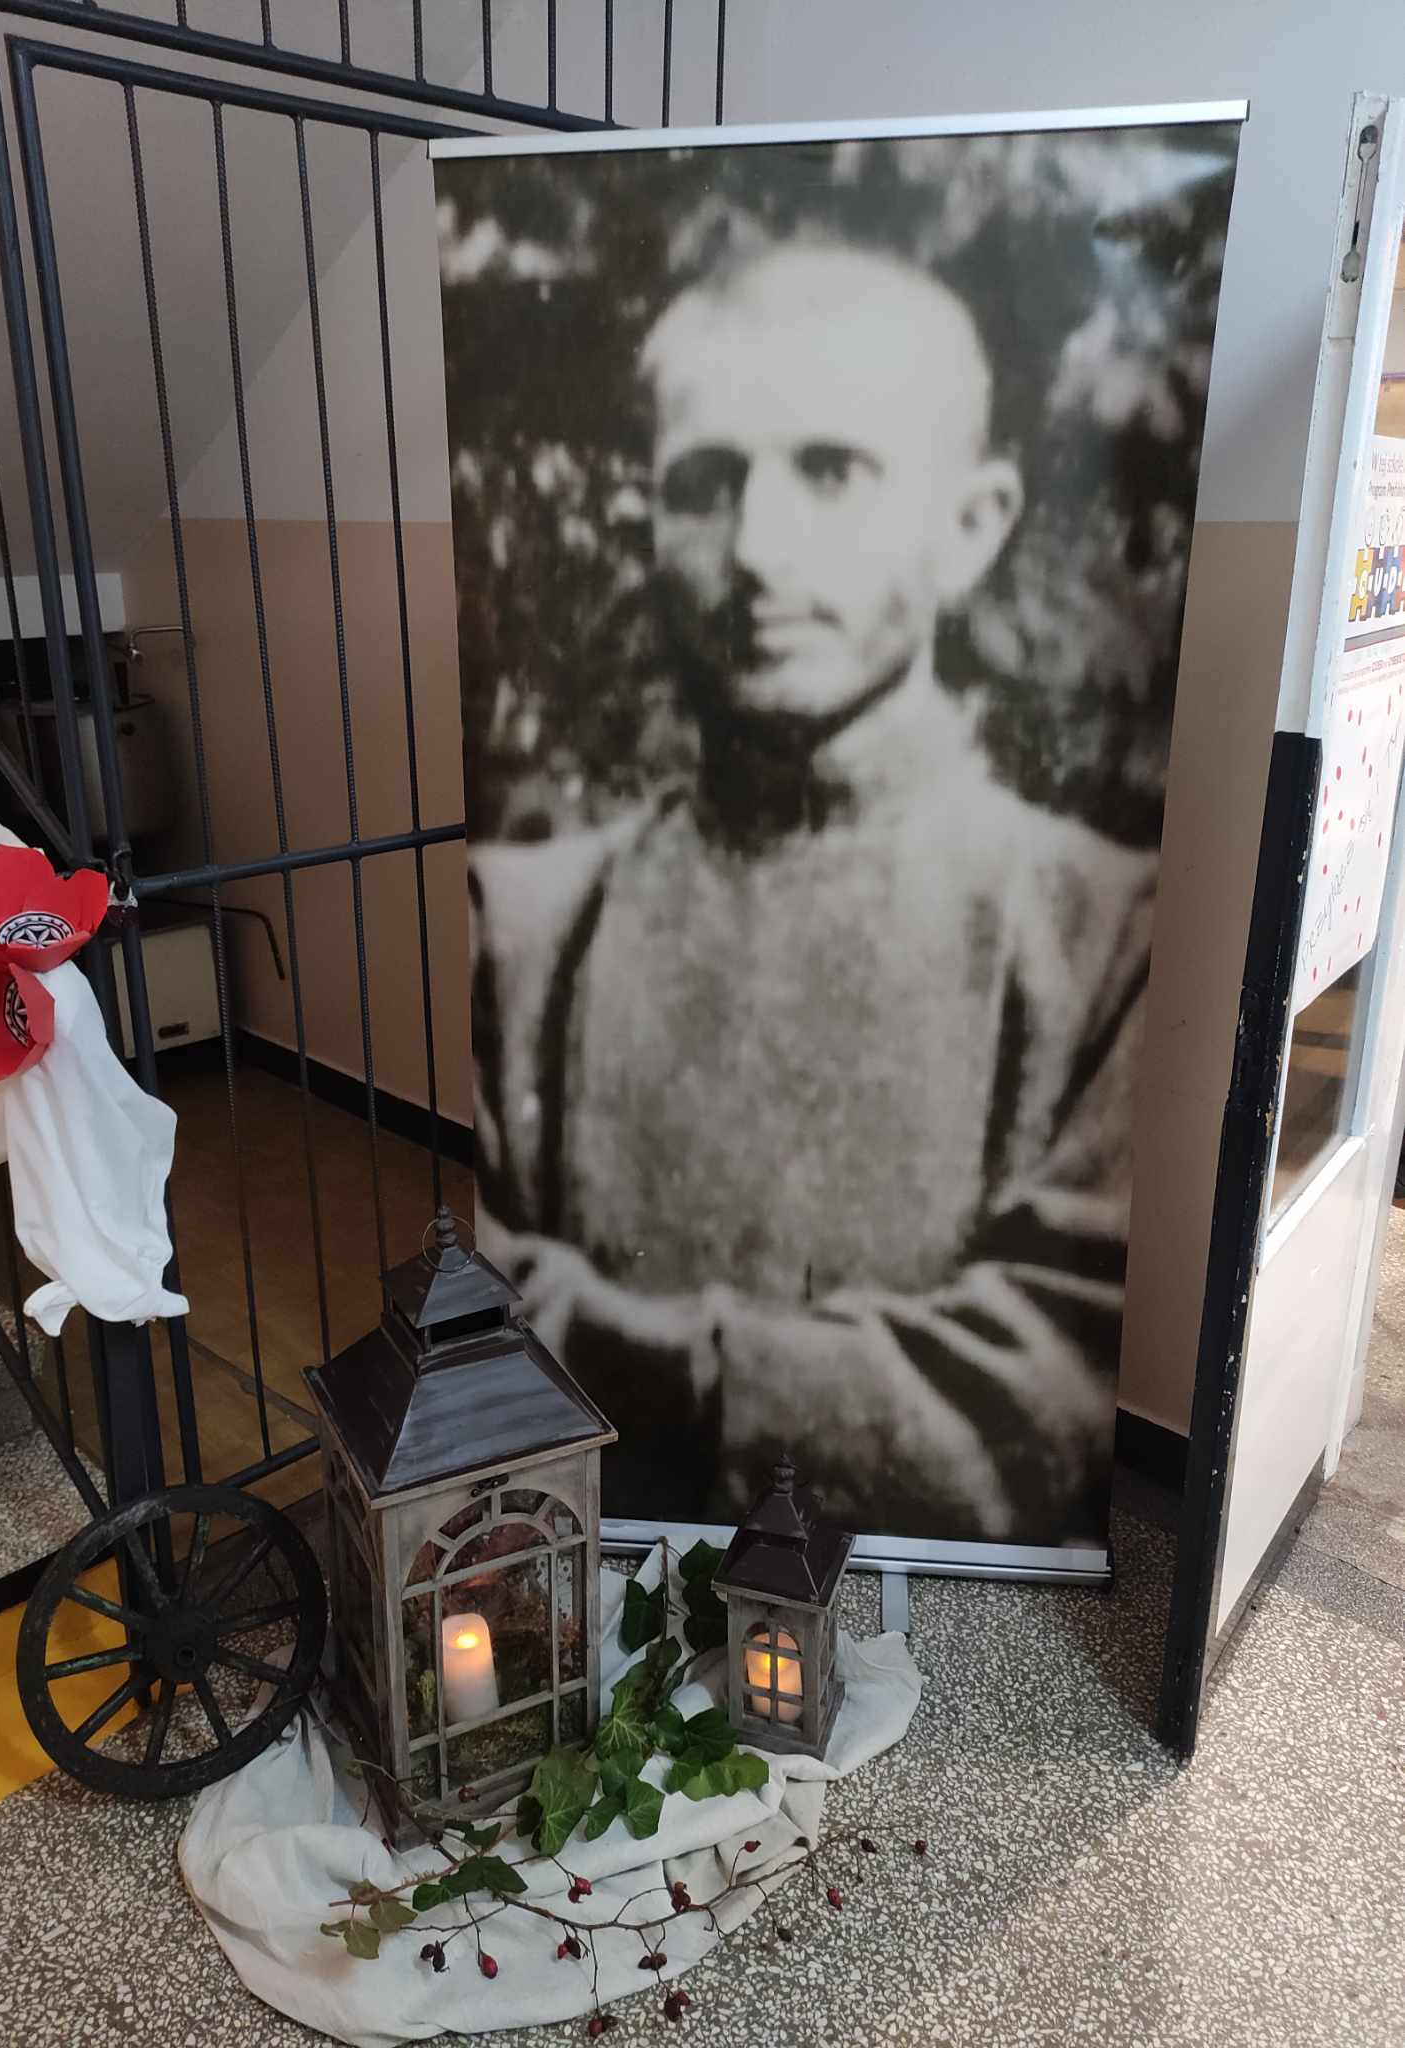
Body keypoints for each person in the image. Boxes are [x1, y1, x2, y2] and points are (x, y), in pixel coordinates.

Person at [469, 234, 1154, 1543]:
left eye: (831, 471)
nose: (757, 549)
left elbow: (1050, 1392)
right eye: (703, 485)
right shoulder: (522, 928)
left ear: (970, 527)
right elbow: (478, 1304)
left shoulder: (1103, 932)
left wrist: (655, 1365)